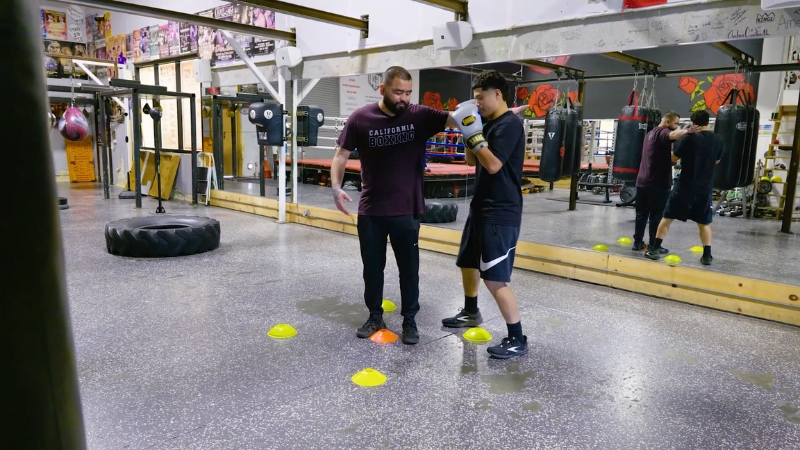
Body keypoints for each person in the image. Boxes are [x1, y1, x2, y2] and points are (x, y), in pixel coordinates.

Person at [332, 66, 529, 345]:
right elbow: (341, 155)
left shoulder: (419, 114)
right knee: (373, 269)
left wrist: (489, 115)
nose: (403, 98)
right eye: (398, 92)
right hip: (372, 209)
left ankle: (410, 320)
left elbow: (458, 121)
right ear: (383, 90)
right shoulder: (360, 118)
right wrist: (336, 187)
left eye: (408, 93)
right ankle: (375, 315)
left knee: (410, 271)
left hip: (411, 208)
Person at [441, 70, 528, 359]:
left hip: (501, 211)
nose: (478, 103)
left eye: (481, 98)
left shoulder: (509, 125)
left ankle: (517, 338)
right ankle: (470, 311)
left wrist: (476, 135)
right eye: (475, 99)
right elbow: (470, 160)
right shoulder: (488, 122)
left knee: (494, 278)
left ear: (497, 94)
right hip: (480, 206)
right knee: (467, 262)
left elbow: (492, 165)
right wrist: (469, 131)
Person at [645, 110, 723, 265]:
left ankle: (654, 249)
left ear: (693, 123)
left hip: (685, 185)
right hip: (705, 187)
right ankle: (707, 255)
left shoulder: (689, 137)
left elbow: (674, 158)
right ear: (708, 122)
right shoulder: (718, 139)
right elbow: (717, 161)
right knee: (704, 223)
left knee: (667, 218)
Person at [632, 111, 700, 252]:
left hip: (642, 182)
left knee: (641, 214)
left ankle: (638, 242)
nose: (676, 127)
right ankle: (653, 245)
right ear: (668, 122)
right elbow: (673, 135)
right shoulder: (663, 132)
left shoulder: (650, 134)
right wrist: (688, 131)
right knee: (656, 215)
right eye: (675, 123)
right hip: (657, 183)